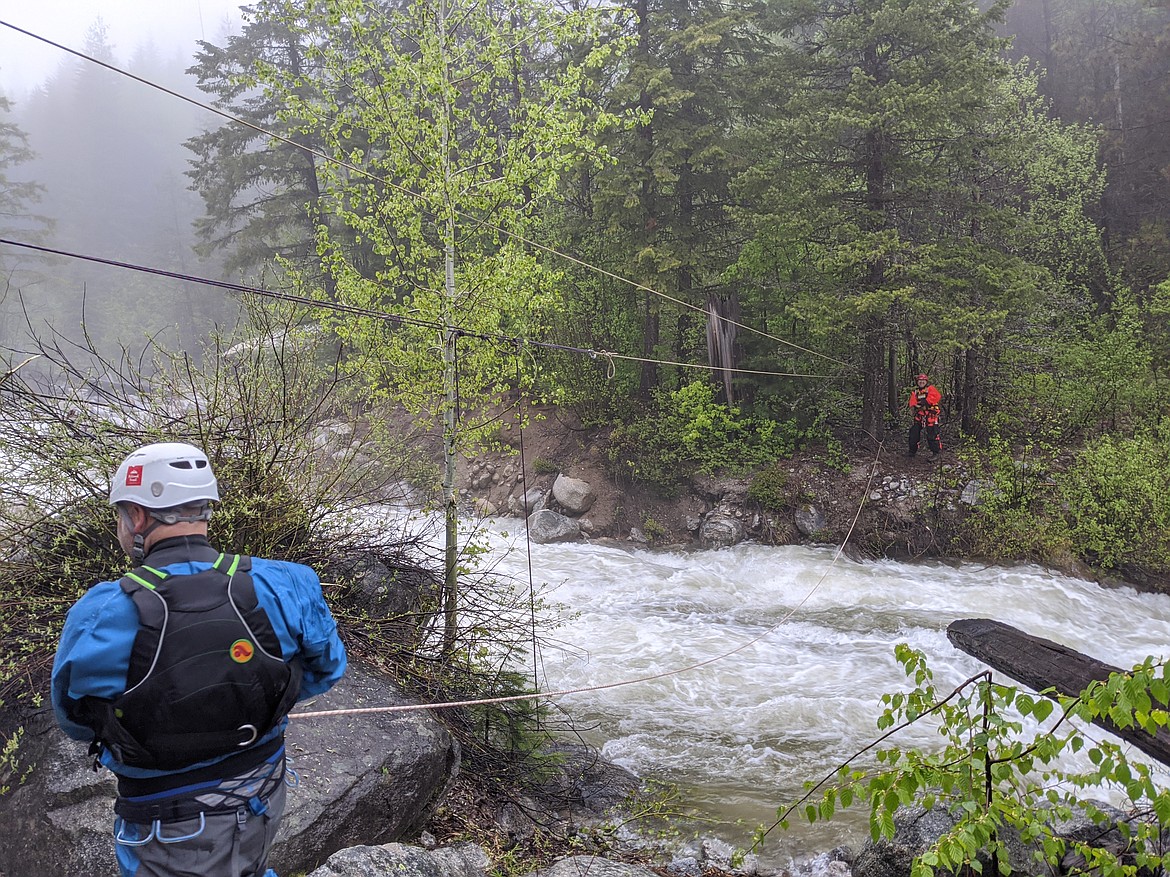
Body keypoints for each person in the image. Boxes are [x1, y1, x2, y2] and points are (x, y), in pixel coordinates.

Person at [52, 442, 348, 877]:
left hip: (164, 824)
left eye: (120, 514)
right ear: (204, 508)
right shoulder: (289, 582)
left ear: (136, 516)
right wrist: (242, 701)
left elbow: (75, 719)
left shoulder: (100, 613)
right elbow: (327, 668)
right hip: (262, 789)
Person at [907, 373, 942, 460]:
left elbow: (936, 396)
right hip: (920, 417)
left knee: (932, 434)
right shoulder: (915, 392)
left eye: (923, 380)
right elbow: (912, 403)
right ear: (917, 382)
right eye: (920, 380)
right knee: (913, 433)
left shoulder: (930, 389)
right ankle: (912, 452)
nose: (921, 382)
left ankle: (936, 453)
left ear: (926, 381)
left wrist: (925, 402)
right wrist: (915, 406)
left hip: (931, 417)